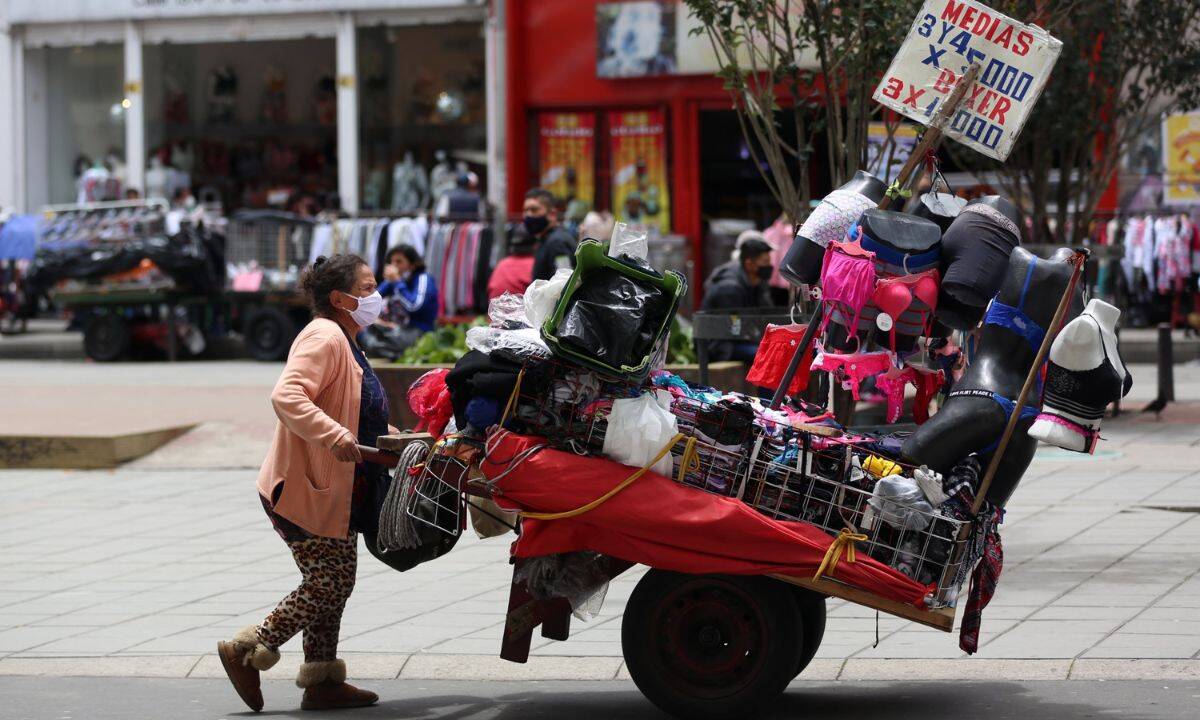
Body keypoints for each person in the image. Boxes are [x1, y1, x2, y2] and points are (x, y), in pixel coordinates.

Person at [217, 254, 392, 713]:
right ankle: (245, 650)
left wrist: (394, 441)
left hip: (335, 490)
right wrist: (335, 435)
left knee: (333, 579)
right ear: (340, 298)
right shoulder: (324, 334)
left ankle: (322, 681)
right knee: (328, 582)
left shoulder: (348, 340)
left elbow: (355, 409)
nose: (376, 297)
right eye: (368, 287)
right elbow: (287, 395)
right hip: (303, 488)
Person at [700, 236, 776, 362]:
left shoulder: (757, 283)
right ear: (749, 264)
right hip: (721, 346)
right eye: (765, 262)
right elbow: (733, 328)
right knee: (767, 355)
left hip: (740, 340)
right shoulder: (729, 288)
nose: (769, 266)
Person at [378, 244, 438, 333]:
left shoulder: (424, 279)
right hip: (396, 328)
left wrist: (397, 281)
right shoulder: (398, 279)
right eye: (392, 262)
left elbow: (414, 306)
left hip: (418, 331)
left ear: (412, 265)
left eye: (399, 262)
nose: (394, 266)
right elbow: (375, 297)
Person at [525, 187, 578, 281]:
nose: (528, 215)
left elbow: (564, 281)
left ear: (552, 214)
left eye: (534, 210)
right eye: (526, 210)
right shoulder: (546, 239)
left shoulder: (557, 243)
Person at [487, 228, 536, 300]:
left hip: (495, 308)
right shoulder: (533, 264)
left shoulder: (502, 263)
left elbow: (490, 288)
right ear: (535, 245)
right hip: (519, 308)